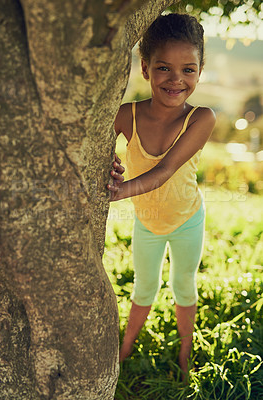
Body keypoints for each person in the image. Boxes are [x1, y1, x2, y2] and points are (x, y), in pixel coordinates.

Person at [107, 13, 216, 380]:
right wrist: (110, 166)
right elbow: (100, 154)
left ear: (200, 71)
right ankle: (124, 350)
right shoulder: (125, 116)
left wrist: (121, 190)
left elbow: (165, 170)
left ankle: (186, 353)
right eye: (164, 67)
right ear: (144, 68)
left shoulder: (202, 118)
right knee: (144, 286)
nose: (176, 79)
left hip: (187, 220)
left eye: (188, 69)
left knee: (184, 284)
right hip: (147, 223)